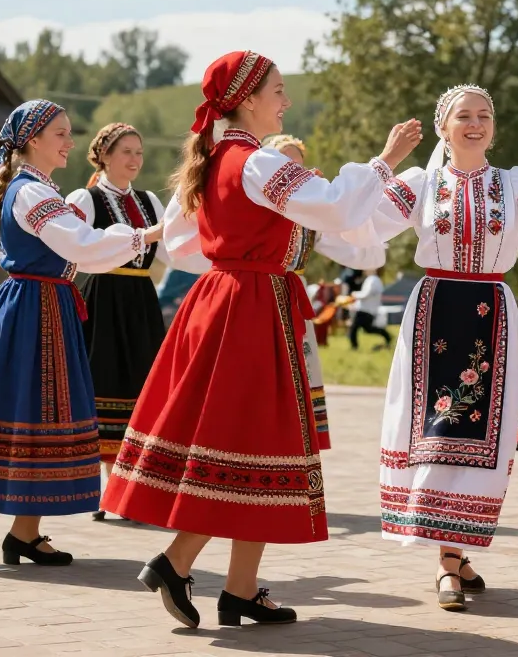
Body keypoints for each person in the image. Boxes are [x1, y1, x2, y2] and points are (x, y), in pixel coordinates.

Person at [99, 51, 421, 630]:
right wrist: (386, 160)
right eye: (278, 90)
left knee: (255, 449)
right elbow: (334, 205)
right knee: (249, 442)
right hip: (250, 308)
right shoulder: (254, 161)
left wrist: (232, 264)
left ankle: (239, 589)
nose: (286, 101)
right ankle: (177, 562)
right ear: (247, 99)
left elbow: (179, 244)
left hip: (229, 300)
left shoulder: (216, 159)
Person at [350, 84, 518, 612]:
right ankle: (449, 558)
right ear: (444, 129)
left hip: (490, 314)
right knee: (436, 433)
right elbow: (360, 225)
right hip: (435, 311)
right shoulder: (422, 183)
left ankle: (453, 553)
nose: (476, 124)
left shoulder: (516, 184)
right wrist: (384, 163)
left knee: (478, 435)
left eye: (485, 116)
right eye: (464, 116)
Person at [0, 99, 162, 565]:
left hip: (45, 304)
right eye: (61, 133)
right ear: (33, 140)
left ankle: (25, 533)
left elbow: (86, 252)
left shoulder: (38, 189)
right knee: (37, 412)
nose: (70, 142)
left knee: (43, 414)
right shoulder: (31, 193)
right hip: (34, 309)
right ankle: (24, 532)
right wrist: (152, 233)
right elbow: (82, 244)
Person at [65, 122, 169, 519]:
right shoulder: (86, 198)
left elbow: (172, 251)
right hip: (103, 298)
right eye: (126, 151)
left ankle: (129, 488)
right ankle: (103, 488)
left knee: (141, 386)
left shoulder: (149, 201)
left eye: (139, 152)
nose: (134, 159)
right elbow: (72, 248)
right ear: (104, 156)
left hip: (140, 300)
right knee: (104, 383)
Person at [266, 132, 387, 448]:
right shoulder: (255, 206)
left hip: (293, 302)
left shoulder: (309, 220)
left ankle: (293, 444)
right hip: (257, 298)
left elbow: (361, 253)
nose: (293, 170)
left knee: (298, 374)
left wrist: (373, 223)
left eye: (298, 165)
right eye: (284, 163)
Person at [348, 267, 391, 351]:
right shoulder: (375, 280)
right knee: (367, 329)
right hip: (368, 309)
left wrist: (354, 294)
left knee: (355, 328)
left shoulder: (372, 280)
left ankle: (354, 347)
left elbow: (366, 294)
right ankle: (387, 336)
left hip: (365, 309)